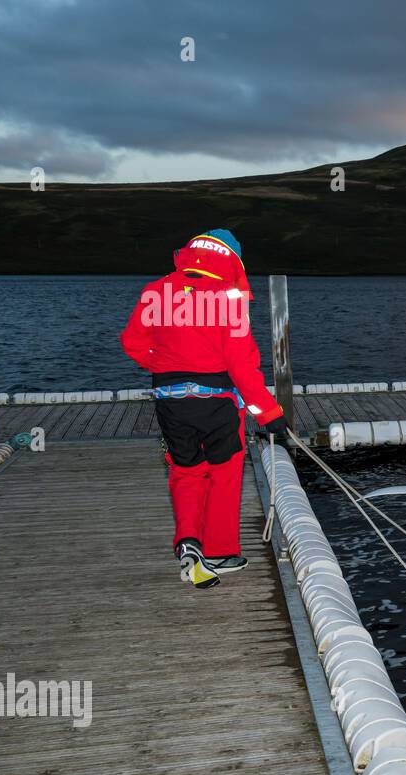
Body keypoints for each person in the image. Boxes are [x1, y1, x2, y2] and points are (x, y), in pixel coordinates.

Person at [120, 229, 286, 589]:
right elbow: (242, 368)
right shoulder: (229, 299)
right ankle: (221, 553)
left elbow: (131, 343)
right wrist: (269, 414)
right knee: (224, 475)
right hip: (217, 404)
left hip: (171, 401)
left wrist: (164, 364)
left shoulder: (157, 290)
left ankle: (188, 544)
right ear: (231, 260)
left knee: (186, 472)